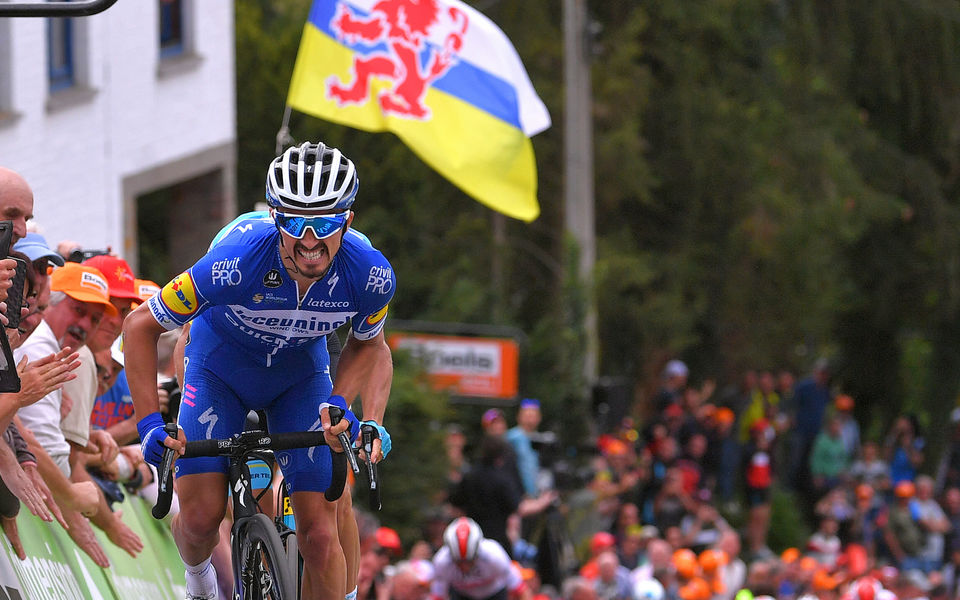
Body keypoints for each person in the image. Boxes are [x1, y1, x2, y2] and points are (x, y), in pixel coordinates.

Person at [124, 141, 395, 600]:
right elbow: (138, 327)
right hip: (219, 370)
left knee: (321, 535)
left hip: (300, 376)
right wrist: (151, 423)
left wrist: (344, 404)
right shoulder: (237, 261)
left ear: (348, 220)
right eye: (294, 223)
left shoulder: (370, 274)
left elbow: (369, 347)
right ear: (275, 218)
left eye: (325, 223)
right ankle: (199, 585)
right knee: (200, 517)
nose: (310, 241)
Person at [429, 516, 531, 600]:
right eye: (459, 562)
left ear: (477, 551)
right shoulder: (441, 561)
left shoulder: (494, 555)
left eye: (469, 561)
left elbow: (521, 590)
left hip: (495, 593)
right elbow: (437, 596)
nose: (464, 567)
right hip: (462, 595)